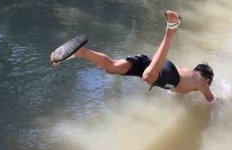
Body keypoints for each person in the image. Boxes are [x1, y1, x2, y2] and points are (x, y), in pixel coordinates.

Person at [50, 10, 215, 102]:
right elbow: (211, 101)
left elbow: (171, 86)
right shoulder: (201, 83)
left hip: (152, 62)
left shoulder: (187, 72)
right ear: (208, 79)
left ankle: (81, 52)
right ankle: (170, 31)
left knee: (112, 68)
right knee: (148, 76)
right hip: (161, 70)